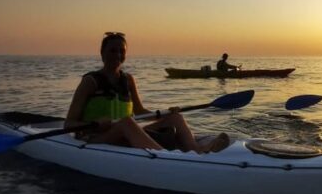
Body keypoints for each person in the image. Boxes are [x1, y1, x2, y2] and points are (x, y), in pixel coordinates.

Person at [65, 32, 229, 153]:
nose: (118, 55)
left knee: (175, 117)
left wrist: (165, 114)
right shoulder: (90, 82)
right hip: (95, 138)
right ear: (102, 53)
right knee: (127, 122)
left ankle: (197, 150)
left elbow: (140, 112)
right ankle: (165, 157)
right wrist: (98, 122)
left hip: (123, 132)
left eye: (122, 51)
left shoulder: (128, 80)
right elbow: (69, 124)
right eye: (113, 50)